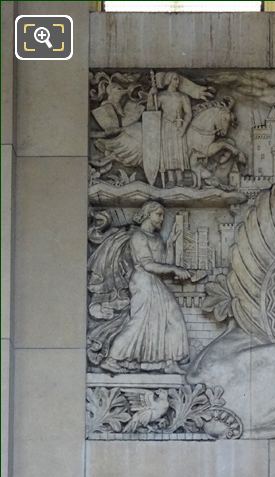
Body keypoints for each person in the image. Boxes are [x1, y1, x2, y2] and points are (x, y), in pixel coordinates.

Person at [101, 201, 191, 374]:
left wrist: (171, 243)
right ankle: (112, 358)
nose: (162, 219)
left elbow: (162, 264)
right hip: (143, 281)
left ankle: (170, 361)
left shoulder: (156, 238)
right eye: (158, 214)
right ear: (147, 214)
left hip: (155, 281)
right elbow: (148, 264)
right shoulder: (138, 236)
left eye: (163, 215)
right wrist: (174, 269)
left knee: (173, 318)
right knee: (139, 323)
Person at [155, 72, 192, 187]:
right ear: (169, 80)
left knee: (178, 150)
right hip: (165, 127)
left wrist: (184, 128)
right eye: (175, 79)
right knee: (167, 151)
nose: (178, 82)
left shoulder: (183, 97)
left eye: (178, 79)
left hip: (178, 126)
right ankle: (170, 178)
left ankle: (180, 178)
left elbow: (189, 114)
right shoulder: (161, 96)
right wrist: (151, 97)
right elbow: (152, 111)